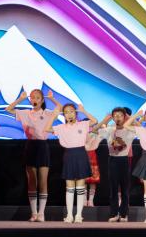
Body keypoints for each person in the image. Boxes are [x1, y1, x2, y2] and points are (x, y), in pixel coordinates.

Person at [41, 93, 101, 223]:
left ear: (76, 113)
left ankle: (79, 215)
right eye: (66, 112)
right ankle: (69, 215)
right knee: (69, 186)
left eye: (72, 111)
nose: (69, 114)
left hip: (81, 155)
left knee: (80, 186)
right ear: (64, 115)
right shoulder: (61, 127)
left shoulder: (82, 125)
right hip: (69, 155)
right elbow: (46, 128)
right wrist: (54, 116)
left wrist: (83, 110)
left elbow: (95, 121)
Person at [6, 88, 58, 222]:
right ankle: (34, 213)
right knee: (32, 181)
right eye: (32, 97)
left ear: (42, 100)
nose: (34, 100)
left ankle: (41, 213)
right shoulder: (25, 113)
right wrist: (20, 99)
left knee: (43, 180)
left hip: (43, 146)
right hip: (30, 146)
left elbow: (60, 108)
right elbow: (8, 109)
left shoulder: (47, 113)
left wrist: (52, 98)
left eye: (37, 98)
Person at [97, 107, 136, 222]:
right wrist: (106, 119)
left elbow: (140, 128)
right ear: (113, 118)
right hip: (113, 160)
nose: (118, 118)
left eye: (120, 115)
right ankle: (114, 214)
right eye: (115, 116)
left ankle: (124, 214)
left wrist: (131, 117)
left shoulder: (129, 130)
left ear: (124, 117)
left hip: (124, 160)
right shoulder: (109, 130)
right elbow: (94, 130)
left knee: (125, 189)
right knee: (113, 189)